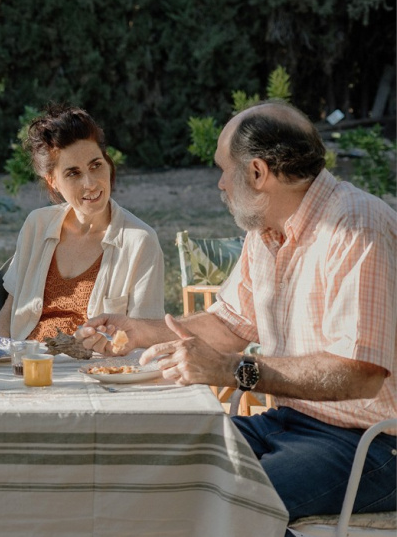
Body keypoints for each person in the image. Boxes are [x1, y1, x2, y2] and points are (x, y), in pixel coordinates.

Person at [78, 101, 396, 524]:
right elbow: (229, 324)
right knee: (157, 465)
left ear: (258, 173)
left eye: (224, 169)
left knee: (223, 503)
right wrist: (139, 331)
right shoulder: (266, 232)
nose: (221, 184)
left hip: (371, 444)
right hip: (290, 421)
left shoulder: (356, 227)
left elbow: (360, 374)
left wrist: (233, 370)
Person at [0, 104, 164, 341]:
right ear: (52, 181)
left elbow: (144, 338)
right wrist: (2, 355)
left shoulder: (140, 242)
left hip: (95, 365)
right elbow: (8, 312)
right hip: (26, 361)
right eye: (73, 173)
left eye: (96, 165)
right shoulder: (36, 225)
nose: (90, 183)